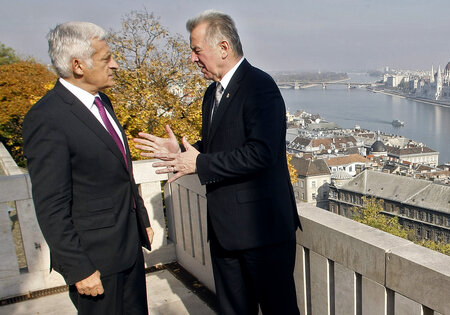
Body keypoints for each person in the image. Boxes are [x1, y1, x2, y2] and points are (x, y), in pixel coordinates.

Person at [134, 10, 300, 314]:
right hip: (225, 230)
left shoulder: (259, 87)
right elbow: (217, 146)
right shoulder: (212, 94)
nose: (193, 59)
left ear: (223, 48)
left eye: (197, 50)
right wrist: (182, 152)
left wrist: (199, 164)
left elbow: (262, 153)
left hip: (262, 232)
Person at [22, 21, 154, 314]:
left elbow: (121, 171)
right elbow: (51, 205)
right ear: (78, 65)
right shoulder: (47, 118)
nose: (116, 65)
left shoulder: (103, 102)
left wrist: (141, 218)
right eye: (107, 58)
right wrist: (79, 268)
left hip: (128, 248)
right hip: (95, 261)